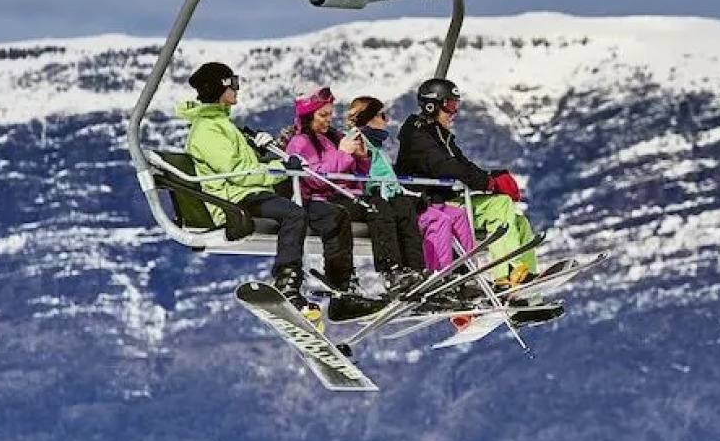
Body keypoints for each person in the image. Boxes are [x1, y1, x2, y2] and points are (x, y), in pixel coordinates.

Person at [177, 62, 381, 322]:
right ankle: (288, 282)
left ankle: (336, 290)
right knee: (294, 214)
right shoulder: (208, 129)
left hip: (250, 192)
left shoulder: (221, 123)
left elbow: (246, 167)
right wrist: (281, 166)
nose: (238, 88)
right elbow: (237, 170)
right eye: (234, 83)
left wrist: (267, 155)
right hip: (232, 198)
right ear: (220, 88)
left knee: (317, 214)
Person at [395, 77, 563, 326]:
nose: (454, 112)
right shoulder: (417, 133)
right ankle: (507, 279)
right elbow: (446, 166)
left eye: (456, 105)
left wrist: (491, 177)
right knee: (501, 205)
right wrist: (488, 184)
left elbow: (463, 165)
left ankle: (527, 296)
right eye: (450, 106)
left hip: (451, 199)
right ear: (432, 106)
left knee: (519, 223)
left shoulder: (441, 135)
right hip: (434, 203)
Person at [337, 94, 431, 293]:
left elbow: (387, 175)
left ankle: (415, 268)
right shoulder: (357, 140)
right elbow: (360, 171)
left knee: (405, 208)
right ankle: (391, 270)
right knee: (385, 210)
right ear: (369, 117)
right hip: (373, 194)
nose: (386, 119)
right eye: (382, 115)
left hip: (387, 192)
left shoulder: (376, 145)